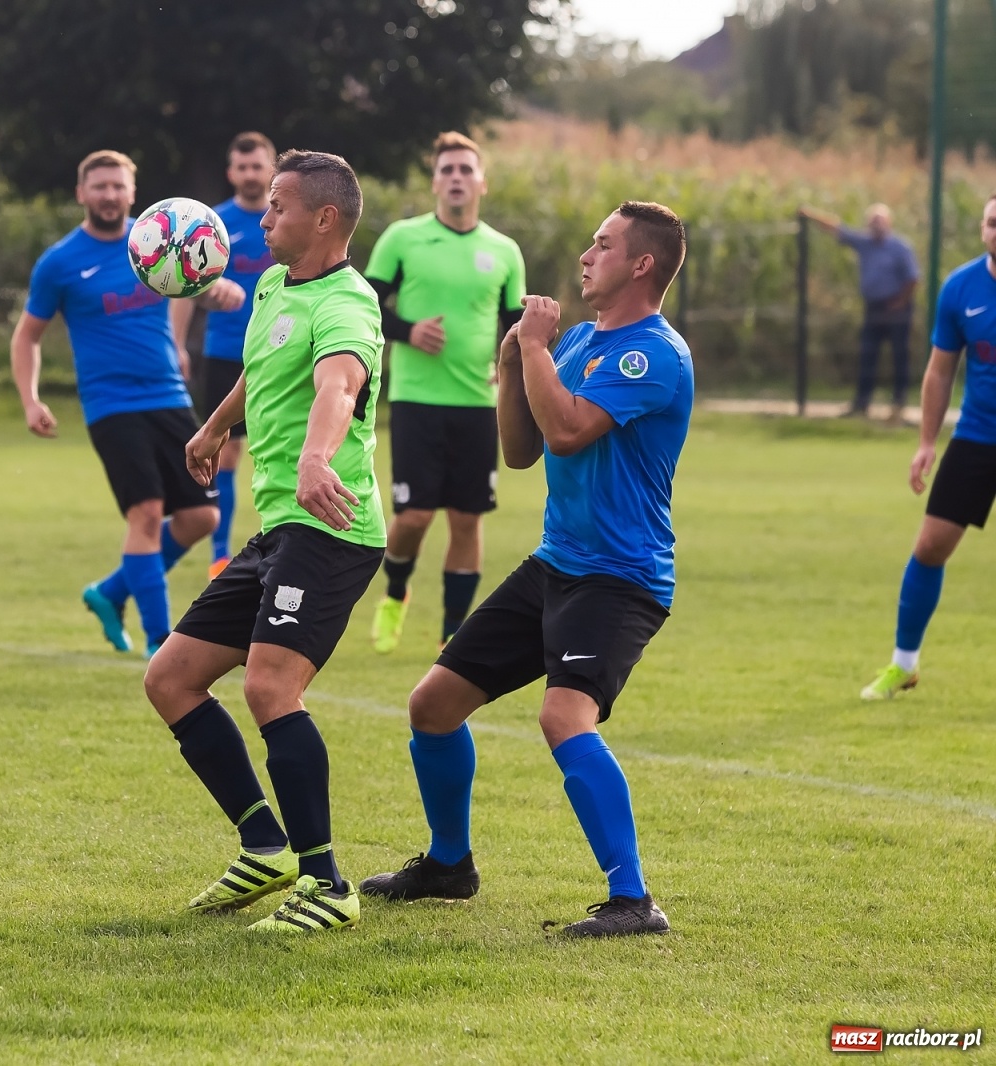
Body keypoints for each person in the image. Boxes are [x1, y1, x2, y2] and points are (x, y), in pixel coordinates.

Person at [361, 202, 693, 939]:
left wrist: (535, 350)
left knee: (562, 715)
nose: (586, 254)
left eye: (603, 245)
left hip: (621, 576)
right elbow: (522, 449)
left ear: (642, 264)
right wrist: (514, 365)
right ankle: (450, 866)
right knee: (433, 704)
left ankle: (634, 900)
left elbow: (571, 431)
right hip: (556, 563)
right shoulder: (576, 342)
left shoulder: (654, 354)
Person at [143, 150, 385, 934]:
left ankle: (327, 884)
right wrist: (215, 427)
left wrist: (317, 457)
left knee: (270, 688)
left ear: (323, 219)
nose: (260, 218)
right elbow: (261, 369)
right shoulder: (276, 286)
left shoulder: (349, 302)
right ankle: (264, 845)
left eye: (276, 206)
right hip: (279, 526)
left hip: (332, 527)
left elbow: (336, 384)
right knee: (171, 677)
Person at [11, 150, 243, 658]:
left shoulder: (157, 237)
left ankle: (110, 592)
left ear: (133, 192)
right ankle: (160, 640)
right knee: (146, 512)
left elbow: (189, 279)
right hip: (110, 404)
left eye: (118, 186)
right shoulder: (60, 262)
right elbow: (27, 336)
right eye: (99, 186)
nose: (110, 195)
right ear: (81, 193)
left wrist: (217, 290)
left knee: (200, 518)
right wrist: (30, 401)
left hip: (168, 393)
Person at [364, 131, 527, 653]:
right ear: (435, 182)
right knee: (412, 518)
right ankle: (395, 591)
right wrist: (409, 330)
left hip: (478, 405)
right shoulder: (402, 238)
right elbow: (366, 306)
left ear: (481, 182)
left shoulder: (504, 251)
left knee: (466, 518)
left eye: (465, 170)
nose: (456, 178)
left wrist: (510, 371)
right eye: (447, 170)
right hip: (416, 400)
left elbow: (514, 325)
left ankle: (452, 634)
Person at [860, 195, 996, 700]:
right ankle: (904, 665)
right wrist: (925, 442)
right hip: (979, 436)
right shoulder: (961, 288)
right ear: (982, 229)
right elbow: (940, 371)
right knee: (930, 546)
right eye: (992, 223)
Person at [170, 132, 277, 578]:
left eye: (258, 166)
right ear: (231, 172)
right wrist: (176, 345)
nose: (251, 174)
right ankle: (220, 551)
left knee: (280, 449)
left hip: (281, 352)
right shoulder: (213, 226)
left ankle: (283, 543)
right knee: (226, 453)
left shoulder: (286, 222)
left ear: (271, 169)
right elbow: (185, 285)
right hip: (225, 353)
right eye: (242, 167)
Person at [801, 204, 919, 421]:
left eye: (880, 222)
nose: (876, 226)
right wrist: (809, 214)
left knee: (899, 356)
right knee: (867, 355)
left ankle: (898, 404)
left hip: (896, 309)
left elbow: (913, 278)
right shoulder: (864, 244)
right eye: (872, 222)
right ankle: (861, 404)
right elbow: (836, 228)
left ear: (888, 223)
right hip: (873, 308)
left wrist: (900, 302)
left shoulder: (900, 247)